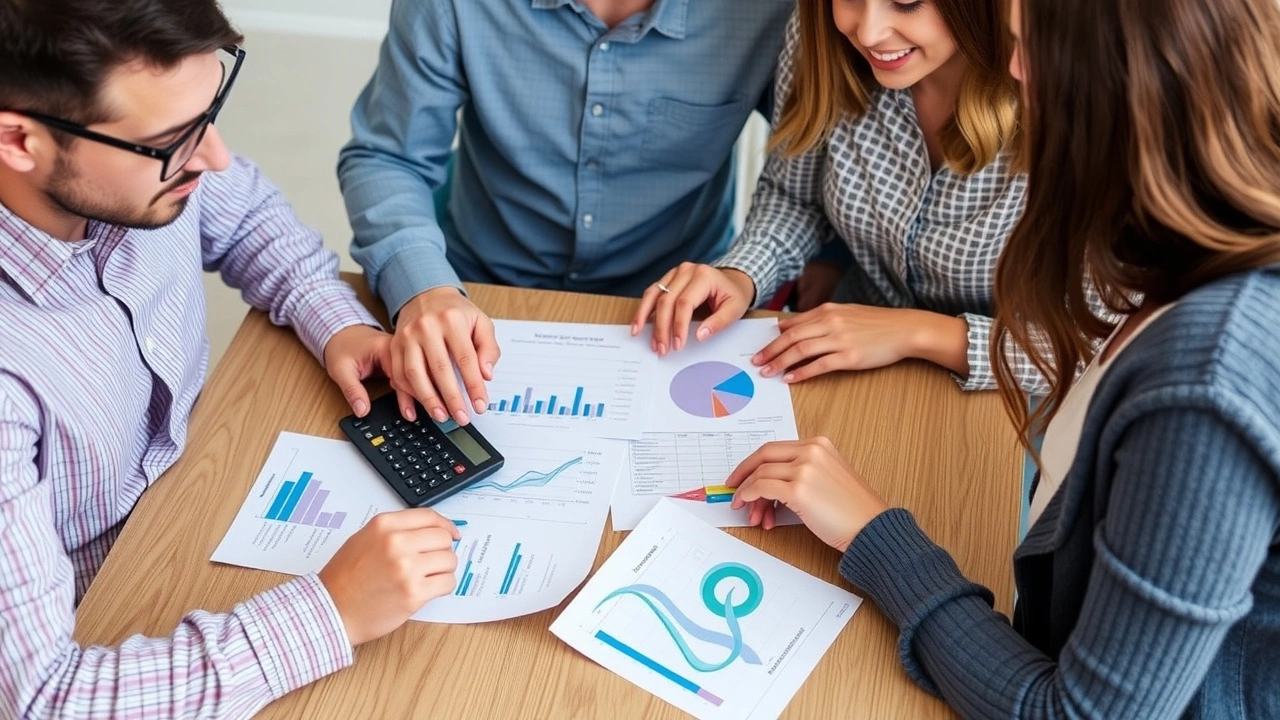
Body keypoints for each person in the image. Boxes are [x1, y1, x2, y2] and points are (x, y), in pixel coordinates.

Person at [724, 0, 1280, 715]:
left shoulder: (1204, 385)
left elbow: (1074, 711)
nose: (1012, 69)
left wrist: (873, 533)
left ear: (1118, 82)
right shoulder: (1178, 255)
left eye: (1028, 47)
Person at [0, 1, 461, 715]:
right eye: (172, 140)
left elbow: (247, 217)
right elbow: (44, 699)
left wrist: (338, 324)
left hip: (192, 512)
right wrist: (331, 614)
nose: (213, 156)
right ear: (19, 140)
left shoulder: (136, 165)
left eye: (209, 114)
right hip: (101, 618)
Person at [338, 0, 791, 427]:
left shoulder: (772, 10)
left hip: (677, 312)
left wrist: (825, 260)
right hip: (478, 291)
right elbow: (388, 157)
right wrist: (423, 289)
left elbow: (817, 155)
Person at [634, 0, 1053, 394]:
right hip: (848, 361)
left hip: (1005, 397)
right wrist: (739, 276)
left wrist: (915, 333)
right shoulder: (818, 40)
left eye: (907, 2)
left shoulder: (1065, 87)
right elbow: (794, 199)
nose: (868, 32)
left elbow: (1091, 346)